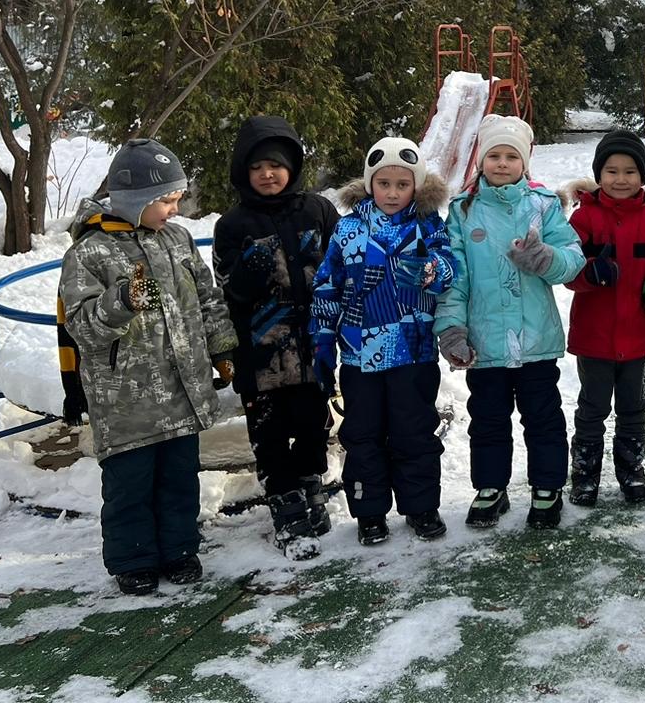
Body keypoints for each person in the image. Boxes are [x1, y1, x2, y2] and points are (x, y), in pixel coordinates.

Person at [60, 139, 237, 595]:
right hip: (127, 402)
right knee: (130, 486)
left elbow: (206, 298)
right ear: (135, 199)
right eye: (166, 200)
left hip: (181, 390)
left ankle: (180, 550)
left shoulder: (176, 241)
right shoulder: (89, 253)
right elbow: (81, 327)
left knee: (179, 478)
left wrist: (222, 350)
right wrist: (121, 302)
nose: (175, 210)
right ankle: (133, 558)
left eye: (177, 198)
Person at [434, 114, 585, 530]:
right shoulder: (463, 212)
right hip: (485, 342)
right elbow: (455, 275)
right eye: (494, 155)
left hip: (536, 339)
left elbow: (572, 260)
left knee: (543, 417)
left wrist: (546, 259)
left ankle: (547, 487)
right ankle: (490, 488)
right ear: (481, 160)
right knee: (488, 419)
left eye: (511, 156)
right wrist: (451, 328)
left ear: (525, 161)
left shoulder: (545, 205)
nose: (502, 163)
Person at [311, 136, 455, 547]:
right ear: (370, 183)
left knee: (414, 432)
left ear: (416, 185)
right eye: (384, 183)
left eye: (402, 184)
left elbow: (449, 267)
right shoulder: (349, 228)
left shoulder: (427, 223)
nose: (392, 193)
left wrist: (431, 269)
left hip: (413, 351)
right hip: (360, 356)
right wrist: (322, 340)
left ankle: (421, 506)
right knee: (363, 435)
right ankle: (370, 511)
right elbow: (328, 285)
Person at [213, 117, 340, 560]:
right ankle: (285, 507)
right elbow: (230, 285)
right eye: (257, 168)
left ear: (292, 166)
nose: (267, 174)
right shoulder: (233, 224)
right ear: (243, 173)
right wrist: (251, 266)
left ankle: (311, 488)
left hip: (312, 347)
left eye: (276, 165)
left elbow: (341, 263)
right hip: (261, 353)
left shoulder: (318, 210)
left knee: (312, 426)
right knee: (269, 436)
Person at [563, 129, 645, 506]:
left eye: (630, 172)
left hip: (642, 334)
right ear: (599, 175)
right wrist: (589, 272)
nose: (621, 179)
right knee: (593, 407)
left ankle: (631, 471)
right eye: (612, 171)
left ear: (643, 176)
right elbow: (566, 269)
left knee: (634, 408)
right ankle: (585, 475)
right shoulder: (584, 217)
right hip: (595, 335)